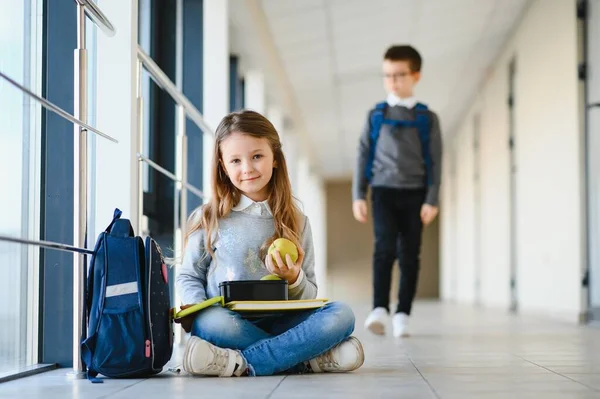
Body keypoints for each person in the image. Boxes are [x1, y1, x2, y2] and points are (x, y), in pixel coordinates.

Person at [176, 110, 364, 377]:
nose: (247, 168)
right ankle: (306, 359)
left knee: (342, 314)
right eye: (236, 160)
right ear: (223, 165)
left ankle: (239, 362)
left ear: (275, 158)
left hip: (284, 323)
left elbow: (310, 293)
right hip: (230, 322)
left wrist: (293, 277)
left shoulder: (297, 221)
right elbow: (188, 276)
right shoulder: (209, 217)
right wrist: (197, 306)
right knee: (210, 322)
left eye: (257, 156)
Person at [352, 45, 442, 338]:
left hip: (415, 194)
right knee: (384, 249)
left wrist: (432, 198)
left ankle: (403, 313)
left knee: (409, 254)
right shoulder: (375, 115)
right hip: (382, 192)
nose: (393, 81)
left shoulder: (427, 119)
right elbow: (363, 155)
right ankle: (379, 308)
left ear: (415, 75)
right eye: (387, 75)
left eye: (399, 75)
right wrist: (358, 195)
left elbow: (436, 160)